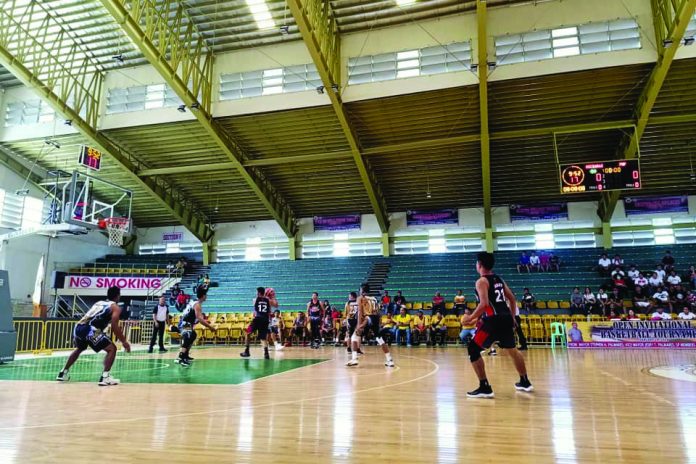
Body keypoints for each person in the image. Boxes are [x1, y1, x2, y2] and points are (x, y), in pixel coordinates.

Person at [463, 252, 533, 398]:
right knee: (513, 350)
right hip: (506, 318)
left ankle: (485, 387)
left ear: (480, 265)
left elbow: (484, 304)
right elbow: (512, 299)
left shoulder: (481, 281)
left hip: (493, 321)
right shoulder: (499, 279)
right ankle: (525, 381)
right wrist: (513, 318)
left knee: (473, 349)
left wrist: (470, 318)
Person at [56, 286, 131, 385]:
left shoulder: (99, 303)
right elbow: (114, 326)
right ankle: (105, 377)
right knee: (112, 348)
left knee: (79, 348)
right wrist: (124, 342)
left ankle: (63, 373)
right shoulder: (115, 307)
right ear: (118, 296)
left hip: (78, 327)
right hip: (89, 329)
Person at [346, 283, 395, 368]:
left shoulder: (360, 298)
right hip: (375, 318)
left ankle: (354, 359)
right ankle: (389, 360)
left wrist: (359, 325)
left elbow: (360, 312)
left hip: (367, 319)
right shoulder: (374, 299)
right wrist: (379, 323)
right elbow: (378, 312)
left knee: (354, 336)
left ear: (362, 290)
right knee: (380, 339)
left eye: (360, 290)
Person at [176, 287, 216, 367]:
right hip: (184, 323)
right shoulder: (197, 305)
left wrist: (205, 321)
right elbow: (199, 319)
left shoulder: (195, 302)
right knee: (189, 335)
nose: (206, 296)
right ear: (203, 296)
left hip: (186, 322)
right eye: (206, 295)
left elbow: (195, 317)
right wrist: (210, 327)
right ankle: (180, 357)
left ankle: (186, 355)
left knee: (193, 335)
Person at [240, 287, 275, 359]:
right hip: (265, 320)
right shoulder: (268, 301)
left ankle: (247, 351)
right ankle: (266, 353)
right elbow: (269, 311)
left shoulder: (255, 299)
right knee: (263, 338)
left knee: (247, 332)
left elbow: (256, 309)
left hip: (257, 319)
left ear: (258, 293)